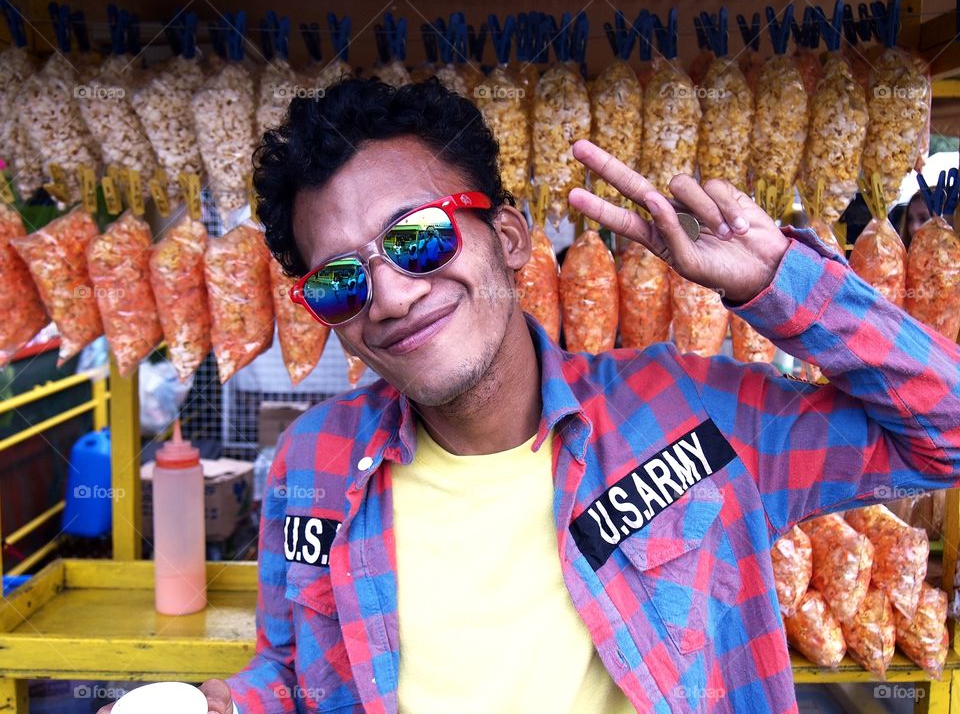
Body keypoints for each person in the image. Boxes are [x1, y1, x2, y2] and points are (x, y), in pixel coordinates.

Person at [99, 79, 960, 714]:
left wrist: (780, 284)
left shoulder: (688, 417)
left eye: (419, 237)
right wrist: (225, 706)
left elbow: (944, 435)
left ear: (508, 239)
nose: (389, 295)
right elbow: (293, 676)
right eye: (337, 280)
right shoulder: (313, 463)